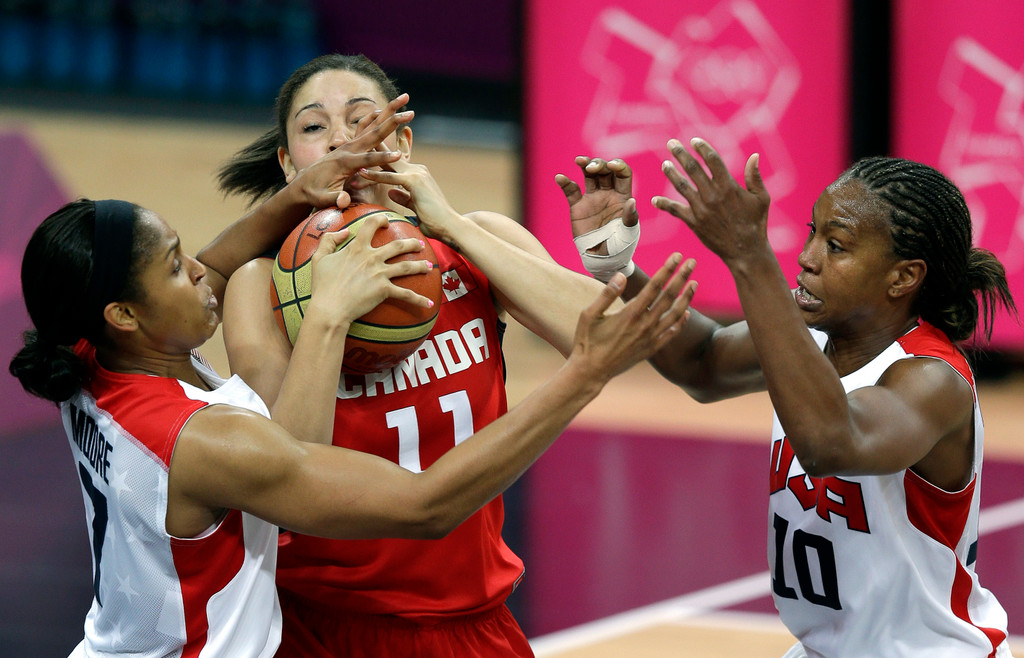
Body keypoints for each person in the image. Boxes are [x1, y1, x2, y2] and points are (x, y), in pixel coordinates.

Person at [8, 195, 691, 658]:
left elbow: (212, 267)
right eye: (174, 268)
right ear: (123, 315)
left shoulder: (82, 355)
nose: (199, 268)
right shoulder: (205, 443)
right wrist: (586, 373)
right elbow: (428, 505)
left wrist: (291, 197)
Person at [215, 53, 677, 656]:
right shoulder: (259, 284)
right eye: (313, 129)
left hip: (472, 621)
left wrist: (453, 227)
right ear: (287, 164)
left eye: (361, 120)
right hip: (319, 625)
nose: (340, 142)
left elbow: (615, 334)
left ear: (401, 142)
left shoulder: (475, 239)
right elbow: (291, 480)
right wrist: (328, 314)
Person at [558, 139, 1018, 657]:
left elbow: (832, 441)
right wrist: (612, 258)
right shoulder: (813, 333)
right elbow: (702, 362)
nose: (806, 258)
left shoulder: (933, 378)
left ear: (903, 277)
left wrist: (749, 254)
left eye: (836, 246)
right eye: (812, 234)